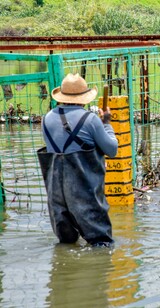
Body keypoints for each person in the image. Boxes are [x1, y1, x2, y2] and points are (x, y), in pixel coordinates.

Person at [37, 73, 118, 247]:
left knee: (66, 243)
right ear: (85, 97)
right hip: (84, 191)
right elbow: (112, 150)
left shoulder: (46, 119)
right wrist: (107, 123)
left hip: (56, 195)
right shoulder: (91, 120)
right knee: (101, 244)